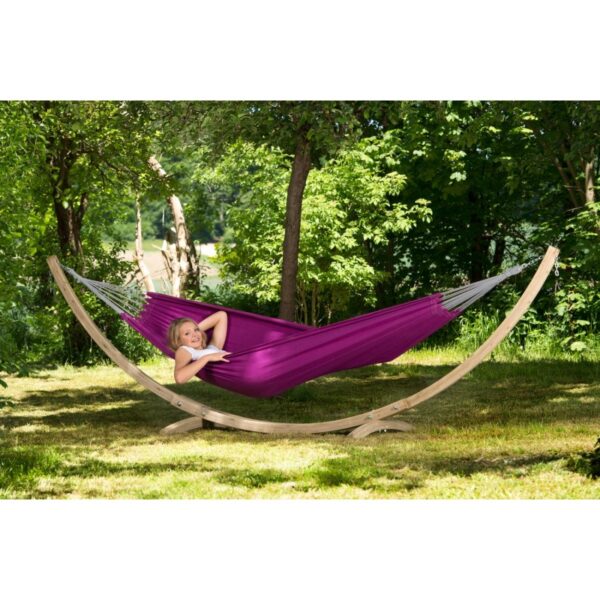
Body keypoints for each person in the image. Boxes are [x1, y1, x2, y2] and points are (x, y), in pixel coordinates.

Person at [167, 311, 231, 384]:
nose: (195, 334)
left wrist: (196, 331)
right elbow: (179, 378)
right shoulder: (184, 350)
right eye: (187, 333)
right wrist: (208, 357)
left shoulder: (212, 348)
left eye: (196, 330)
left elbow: (222, 315)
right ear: (178, 341)